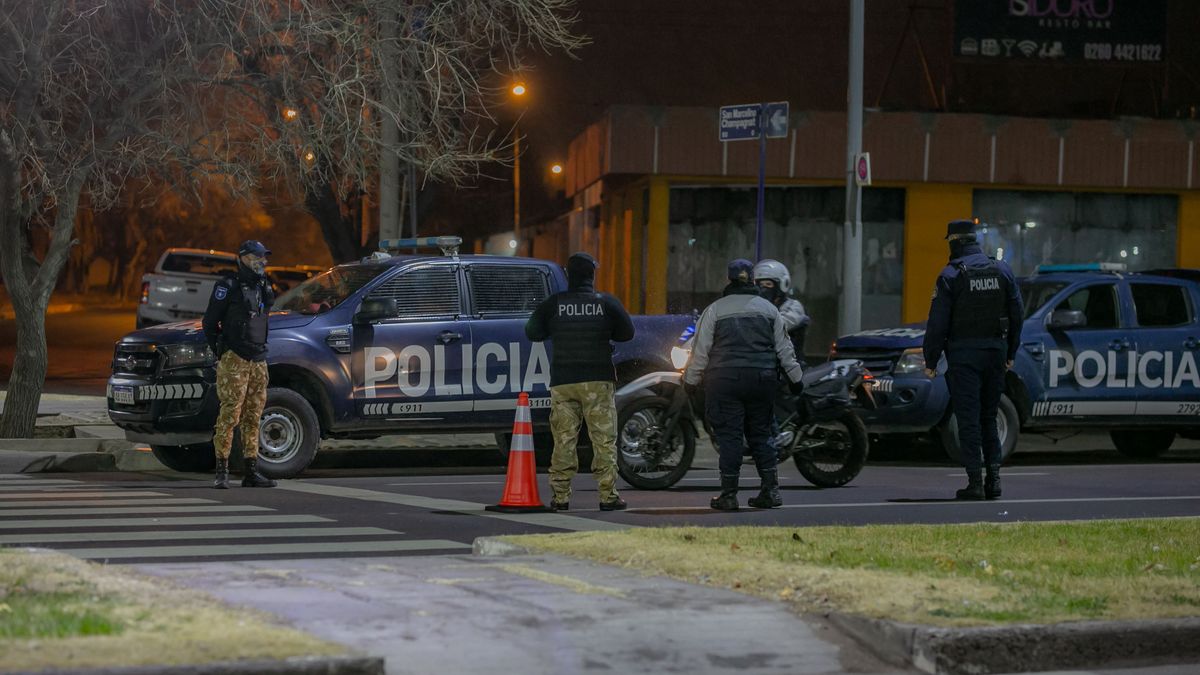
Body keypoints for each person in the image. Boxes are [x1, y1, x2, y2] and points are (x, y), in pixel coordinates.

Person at [684, 259, 805, 511]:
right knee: (761, 434)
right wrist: (796, 378)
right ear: (752, 280)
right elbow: (785, 349)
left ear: (728, 280)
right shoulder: (769, 310)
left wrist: (691, 380)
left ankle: (728, 495)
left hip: (724, 381)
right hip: (762, 380)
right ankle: (770, 492)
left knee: (730, 437)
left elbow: (700, 351)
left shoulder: (715, 310)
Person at [922, 220, 1023, 501]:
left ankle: (975, 483)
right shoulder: (1002, 270)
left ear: (954, 242)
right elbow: (1017, 313)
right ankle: (994, 481)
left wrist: (931, 360)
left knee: (968, 419)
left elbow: (937, 324)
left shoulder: (951, 275)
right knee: (989, 417)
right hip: (996, 354)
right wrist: (1011, 352)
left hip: (965, 357)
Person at [526, 252, 634, 512]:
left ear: (569, 275)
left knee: (564, 440)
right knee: (603, 440)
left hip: (563, 381)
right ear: (592, 275)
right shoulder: (605, 303)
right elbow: (627, 333)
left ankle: (560, 497)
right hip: (598, 381)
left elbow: (532, 331)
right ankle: (608, 497)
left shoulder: (554, 304)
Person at [202, 240, 277, 490]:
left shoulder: (263, 285)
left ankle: (251, 471)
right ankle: (221, 470)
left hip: (258, 358)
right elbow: (209, 323)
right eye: (257, 257)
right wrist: (222, 352)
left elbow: (267, 312)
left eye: (264, 257)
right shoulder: (228, 286)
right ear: (243, 258)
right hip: (235, 358)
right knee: (230, 414)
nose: (262, 261)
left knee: (254, 416)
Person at [753, 259, 811, 458]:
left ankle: (776, 438)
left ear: (781, 285)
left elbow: (782, 324)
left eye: (768, 284)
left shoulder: (793, 306)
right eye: (758, 285)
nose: (763, 289)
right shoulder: (757, 308)